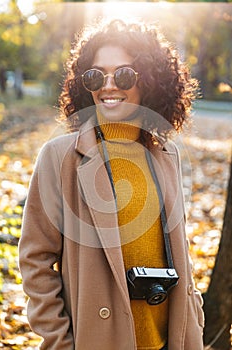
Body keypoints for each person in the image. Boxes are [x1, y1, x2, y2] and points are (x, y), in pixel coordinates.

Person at [19, 18, 205, 350]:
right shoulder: (59, 157)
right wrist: (60, 342)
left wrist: (195, 317)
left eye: (123, 74)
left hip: (169, 340)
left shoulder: (166, 153)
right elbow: (36, 261)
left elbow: (179, 250)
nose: (108, 85)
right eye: (95, 75)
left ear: (150, 80)